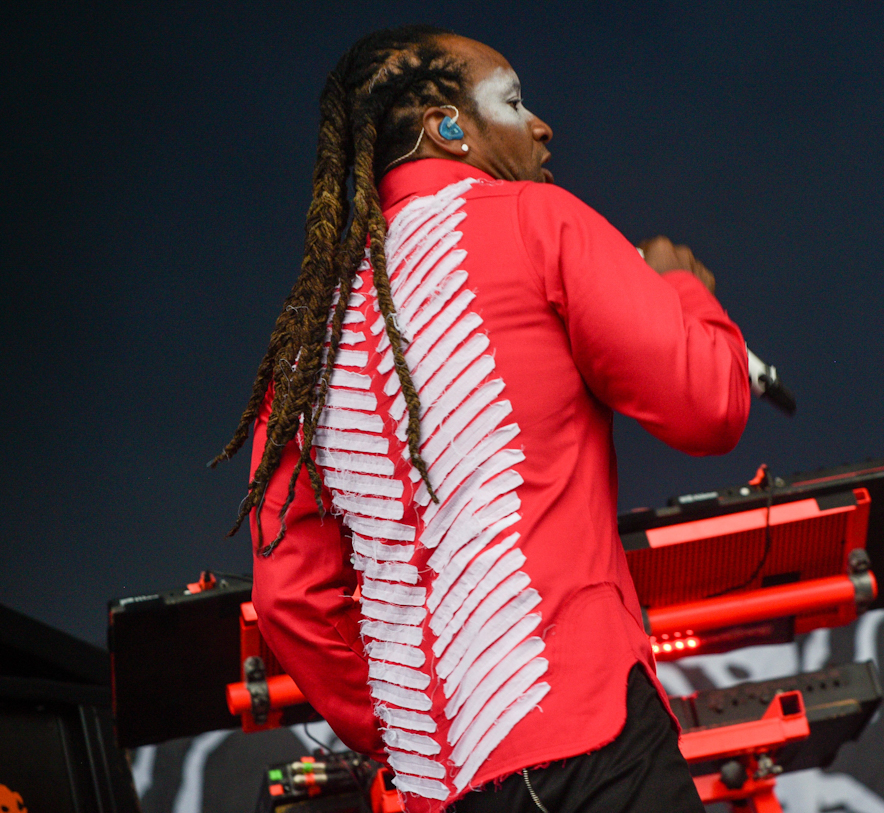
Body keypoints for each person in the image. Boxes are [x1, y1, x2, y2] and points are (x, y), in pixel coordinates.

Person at [210, 26, 749, 813]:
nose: (541, 126)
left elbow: (291, 598)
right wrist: (678, 287)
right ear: (447, 126)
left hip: (444, 782)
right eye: (515, 102)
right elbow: (708, 404)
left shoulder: (307, 343)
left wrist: (409, 727)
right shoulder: (539, 221)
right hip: (593, 736)